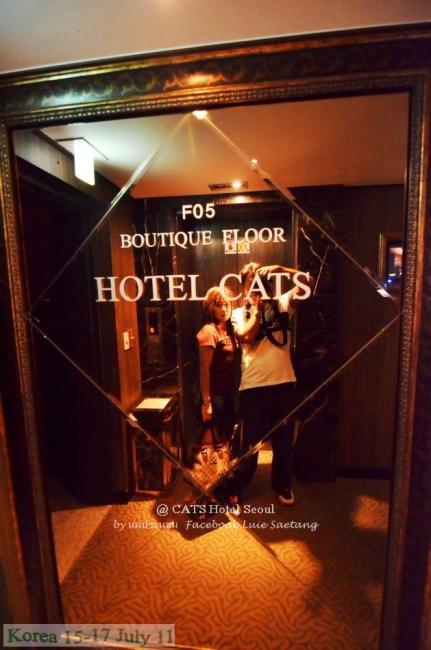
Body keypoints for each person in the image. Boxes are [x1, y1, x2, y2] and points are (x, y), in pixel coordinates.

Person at [230, 262, 312, 506]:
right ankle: (238, 485)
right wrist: (256, 309)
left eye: (261, 280)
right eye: (251, 281)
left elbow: (308, 282)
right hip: (253, 387)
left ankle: (282, 484)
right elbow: (246, 336)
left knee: (284, 441)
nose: (257, 285)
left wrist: (281, 270)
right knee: (249, 443)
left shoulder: (282, 304)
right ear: (244, 287)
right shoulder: (239, 313)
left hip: (283, 383)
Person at [196, 286, 240, 447]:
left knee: (227, 438)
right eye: (219, 305)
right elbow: (204, 369)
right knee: (217, 439)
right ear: (211, 308)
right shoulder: (209, 330)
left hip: (230, 391)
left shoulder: (230, 329)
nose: (224, 309)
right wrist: (206, 403)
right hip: (216, 394)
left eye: (227, 304)